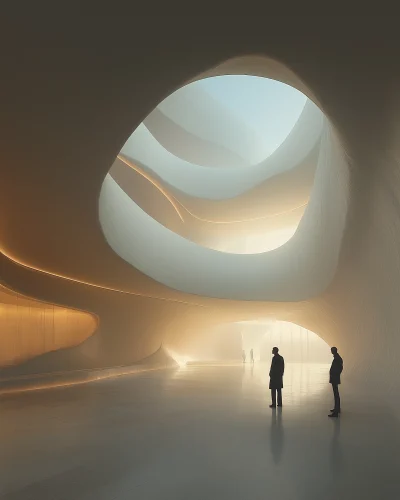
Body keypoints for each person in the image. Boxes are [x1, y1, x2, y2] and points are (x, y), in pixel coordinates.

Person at [328, 347, 343, 417]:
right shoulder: (337, 357)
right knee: (336, 394)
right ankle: (337, 409)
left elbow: (339, 368)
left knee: (336, 394)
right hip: (335, 378)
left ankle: (336, 412)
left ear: (333, 351)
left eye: (331, 350)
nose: (331, 351)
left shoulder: (337, 358)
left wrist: (334, 374)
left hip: (334, 378)